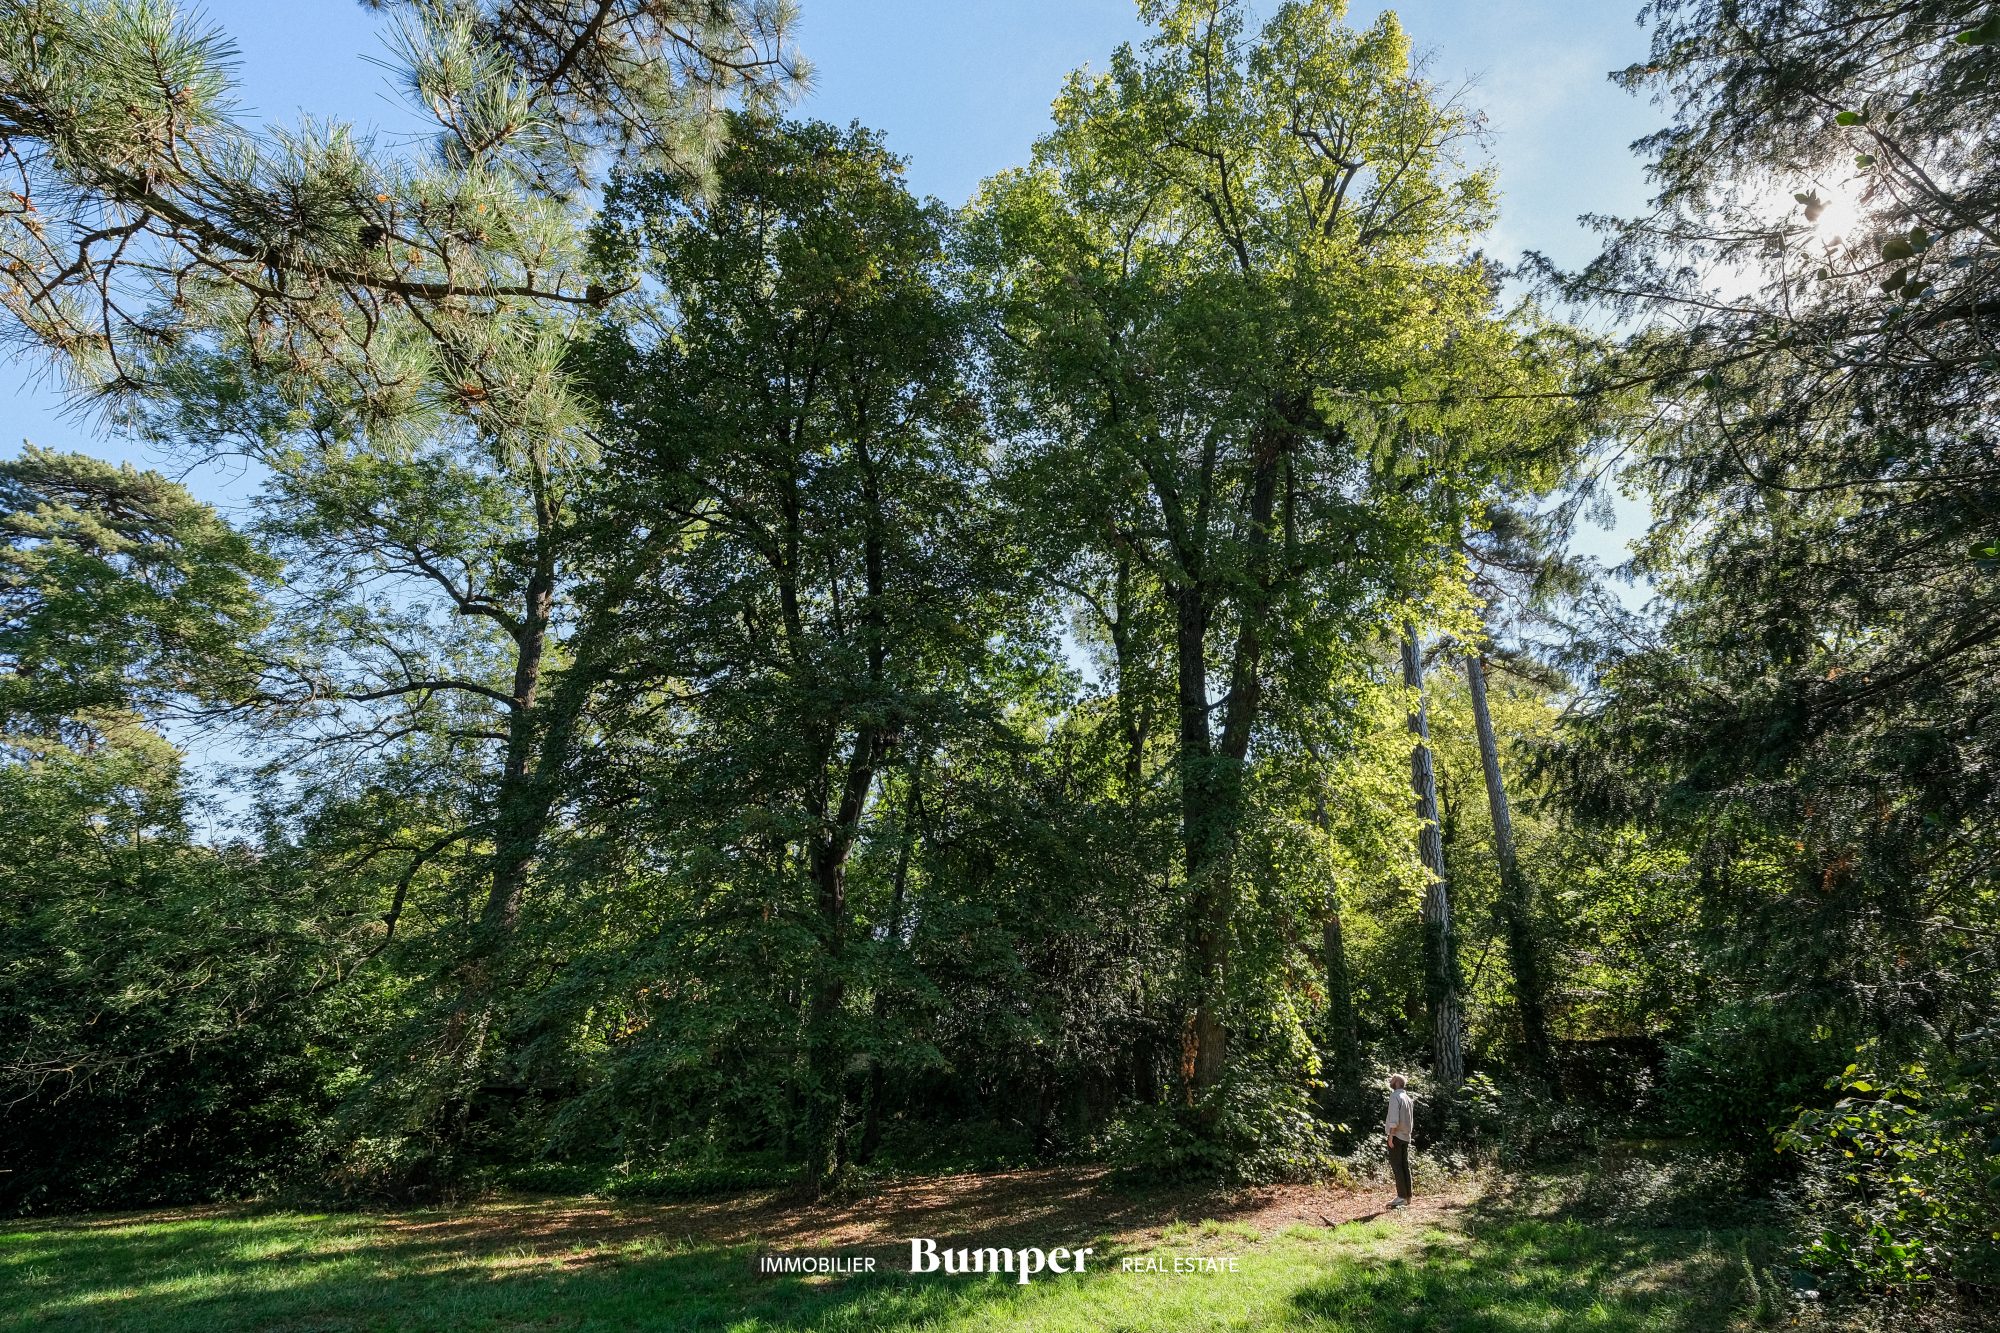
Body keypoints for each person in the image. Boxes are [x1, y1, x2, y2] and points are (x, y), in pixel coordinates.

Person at [1384, 1073, 1414, 1208]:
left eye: (1392, 1080)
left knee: (1397, 1166)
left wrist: (1391, 1135)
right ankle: (1408, 1196)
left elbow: (1394, 1118)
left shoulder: (1395, 1096)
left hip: (1396, 1135)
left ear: (1396, 1083)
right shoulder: (1408, 1098)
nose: (1390, 1082)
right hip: (1406, 1136)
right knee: (1404, 1165)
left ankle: (1401, 1197)